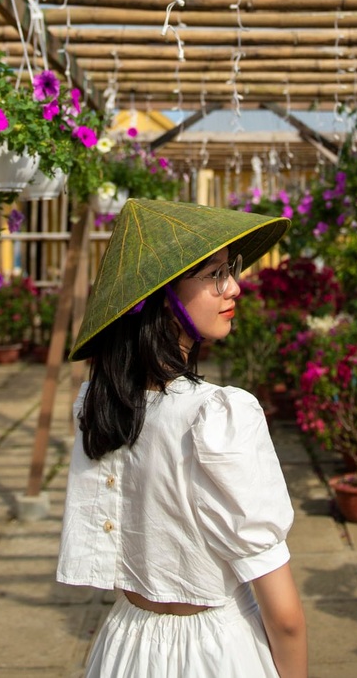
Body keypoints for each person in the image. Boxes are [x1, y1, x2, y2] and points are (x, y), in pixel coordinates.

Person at [57, 197, 308, 678]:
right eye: (215, 274)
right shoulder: (217, 416)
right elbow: (287, 618)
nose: (235, 285)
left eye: (231, 268)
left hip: (124, 647)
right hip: (217, 652)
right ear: (159, 296)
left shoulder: (98, 405)